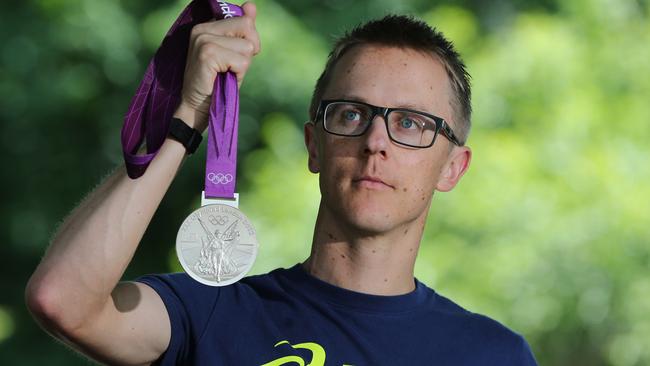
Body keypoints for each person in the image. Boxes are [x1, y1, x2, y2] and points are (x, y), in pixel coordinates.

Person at [26, 2, 538, 365]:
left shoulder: (493, 354)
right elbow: (62, 302)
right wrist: (188, 117)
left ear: (453, 167)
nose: (375, 141)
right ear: (314, 145)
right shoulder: (213, 314)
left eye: (410, 124)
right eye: (353, 113)